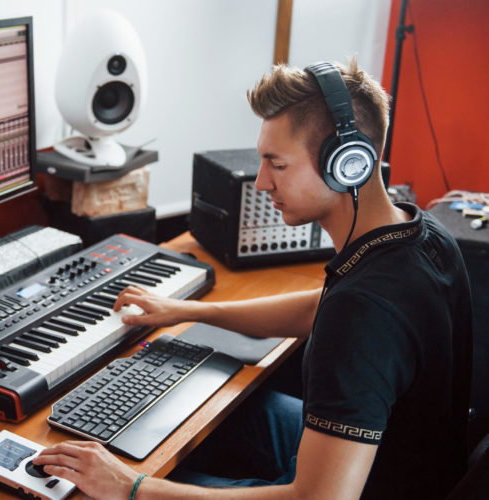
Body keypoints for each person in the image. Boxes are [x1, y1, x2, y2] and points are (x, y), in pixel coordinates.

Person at [34, 59, 473, 499]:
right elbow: (321, 308)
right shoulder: (420, 234)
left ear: (348, 164)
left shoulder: (362, 311)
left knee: (113, 488)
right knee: (220, 411)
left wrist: (132, 489)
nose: (261, 182)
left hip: (355, 487)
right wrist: (185, 310)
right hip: (402, 465)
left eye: (276, 165)